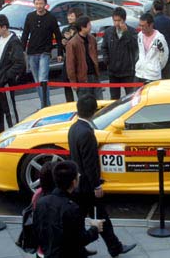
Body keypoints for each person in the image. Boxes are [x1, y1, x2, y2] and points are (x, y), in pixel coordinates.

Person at [68, 95, 136, 257]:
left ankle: (82, 248)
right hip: (87, 186)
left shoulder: (74, 128)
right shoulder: (87, 133)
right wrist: (96, 185)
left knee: (79, 219)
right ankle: (114, 247)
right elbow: (90, 163)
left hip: (78, 184)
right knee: (101, 218)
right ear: (93, 112)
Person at [34, 160, 104, 258]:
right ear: (74, 182)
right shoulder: (72, 208)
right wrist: (95, 229)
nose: (79, 175)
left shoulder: (41, 202)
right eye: (77, 175)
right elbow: (80, 240)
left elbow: (37, 230)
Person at [21, 0, 63, 108]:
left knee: (43, 79)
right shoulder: (30, 17)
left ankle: (46, 105)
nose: (39, 6)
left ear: (45, 4)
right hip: (32, 52)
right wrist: (22, 50)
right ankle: (44, 103)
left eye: (41, 3)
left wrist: (60, 53)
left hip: (45, 52)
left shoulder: (51, 18)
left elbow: (58, 36)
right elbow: (25, 34)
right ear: (34, 5)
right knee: (37, 81)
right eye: (37, 4)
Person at [0, 14, 26, 138]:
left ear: (4, 27)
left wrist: (6, 76)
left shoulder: (14, 42)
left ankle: (14, 133)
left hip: (4, 81)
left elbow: (19, 63)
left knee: (9, 109)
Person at [101, 7, 138, 99]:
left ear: (124, 20)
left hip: (128, 71)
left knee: (130, 97)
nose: (117, 23)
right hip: (113, 72)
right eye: (115, 20)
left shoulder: (132, 31)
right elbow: (104, 47)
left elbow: (135, 46)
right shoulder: (109, 32)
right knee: (114, 98)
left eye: (119, 20)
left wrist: (126, 33)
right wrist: (106, 60)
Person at [66, 16, 103, 100]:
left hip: (94, 75)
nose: (91, 26)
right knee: (86, 105)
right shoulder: (72, 43)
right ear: (82, 27)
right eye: (89, 24)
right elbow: (70, 64)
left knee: (100, 102)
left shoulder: (92, 39)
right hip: (82, 79)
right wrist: (73, 82)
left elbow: (95, 55)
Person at [136, 13, 169, 83]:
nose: (141, 28)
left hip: (153, 75)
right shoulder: (140, 35)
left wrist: (156, 67)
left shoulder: (159, 39)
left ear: (151, 25)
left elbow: (164, 56)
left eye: (143, 26)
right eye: (140, 25)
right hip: (139, 73)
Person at [61, 7, 83, 102]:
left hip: (78, 60)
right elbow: (62, 45)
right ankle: (69, 104)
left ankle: (82, 103)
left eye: (72, 15)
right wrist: (63, 43)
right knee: (66, 83)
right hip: (68, 59)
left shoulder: (81, 29)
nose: (69, 17)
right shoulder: (66, 29)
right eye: (68, 15)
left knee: (79, 85)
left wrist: (70, 39)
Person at [152, 0, 170, 79]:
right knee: (168, 77)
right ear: (163, 8)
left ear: (153, 9)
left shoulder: (152, 22)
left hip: (154, 52)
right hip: (167, 52)